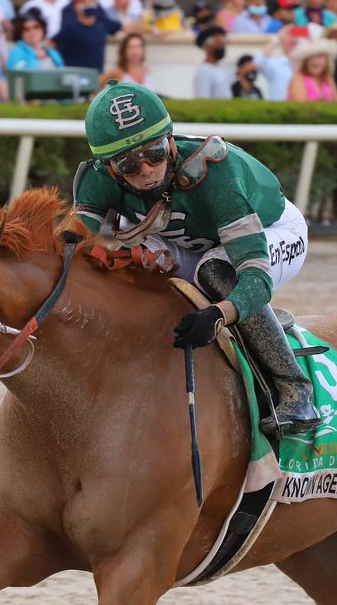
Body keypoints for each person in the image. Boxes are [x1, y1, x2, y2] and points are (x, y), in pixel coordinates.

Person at [73, 81, 323, 435]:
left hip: (275, 231)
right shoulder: (97, 179)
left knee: (215, 271)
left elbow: (256, 278)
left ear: (171, 141)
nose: (145, 170)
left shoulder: (217, 177)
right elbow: (70, 245)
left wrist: (218, 314)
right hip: (197, 242)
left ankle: (295, 390)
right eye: (128, 163)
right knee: (133, 265)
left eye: (155, 153)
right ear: (108, 167)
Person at [53, 0, 120, 73]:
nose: (89, 5)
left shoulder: (102, 25)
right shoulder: (70, 28)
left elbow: (119, 26)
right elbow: (51, 45)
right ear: (76, 6)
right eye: (84, 2)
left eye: (91, 2)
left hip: (96, 79)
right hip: (75, 79)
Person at [288, 38, 337, 102]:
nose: (315, 61)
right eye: (311, 57)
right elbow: (300, 108)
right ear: (305, 61)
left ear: (326, 60)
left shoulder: (328, 78)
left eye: (320, 56)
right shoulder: (298, 78)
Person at [193, 25, 230, 99]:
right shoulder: (204, 71)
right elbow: (203, 101)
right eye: (218, 42)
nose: (222, 45)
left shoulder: (219, 69)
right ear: (207, 46)